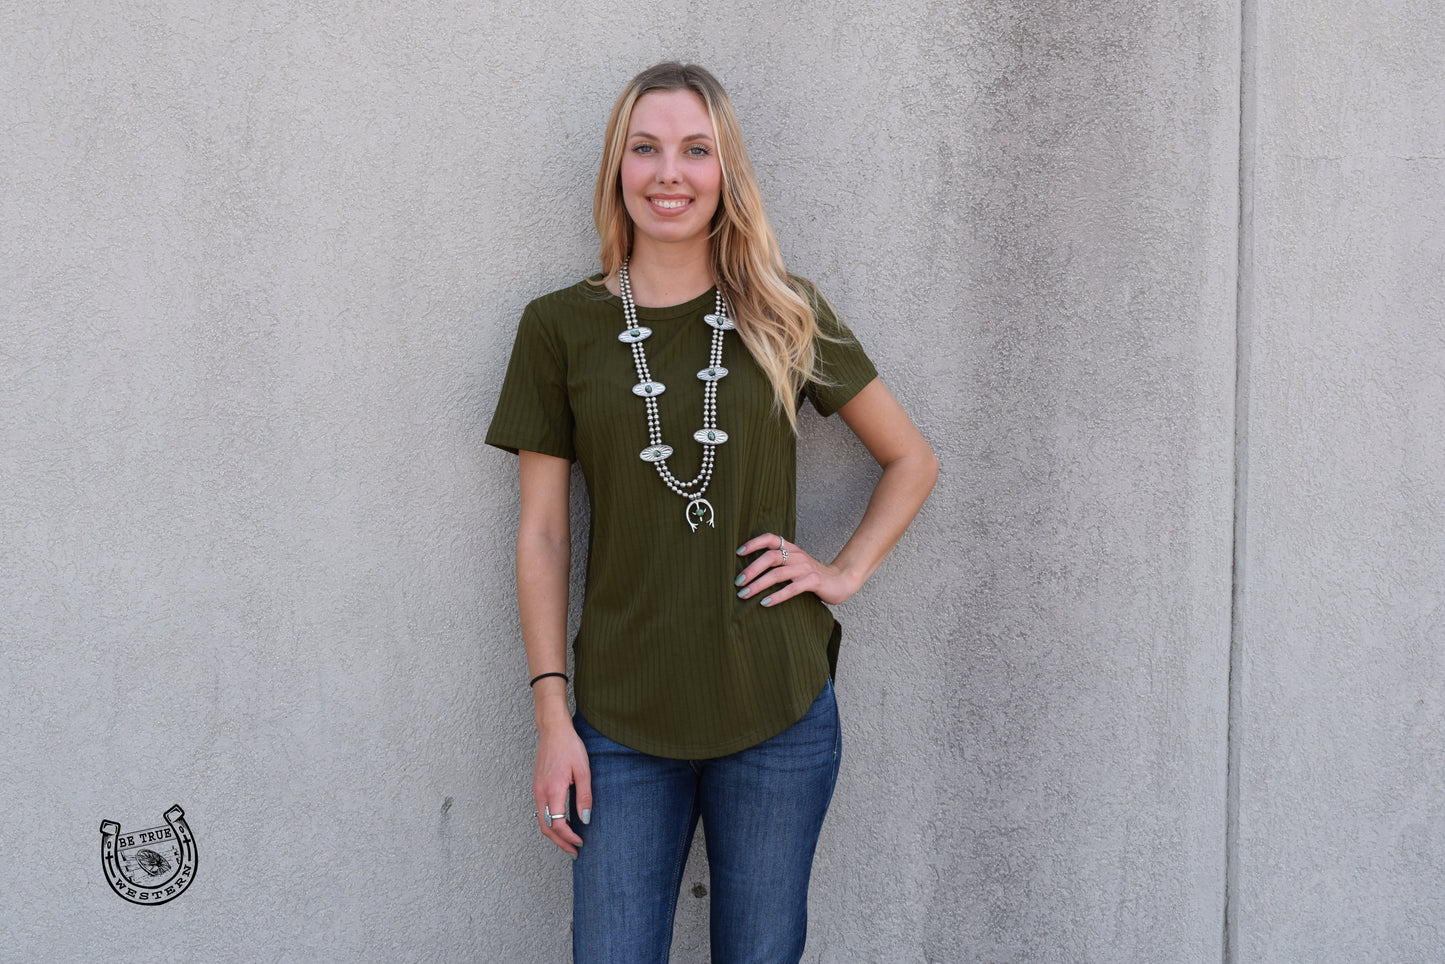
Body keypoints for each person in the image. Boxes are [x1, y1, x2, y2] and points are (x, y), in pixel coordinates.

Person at [486, 62, 938, 964]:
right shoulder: (558, 327)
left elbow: (911, 460)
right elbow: (541, 534)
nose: (669, 173)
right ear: (617, 167)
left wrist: (841, 571)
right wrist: (551, 718)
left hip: (776, 711)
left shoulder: (785, 313)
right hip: (619, 722)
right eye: (645, 148)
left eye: (696, 150)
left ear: (725, 171)